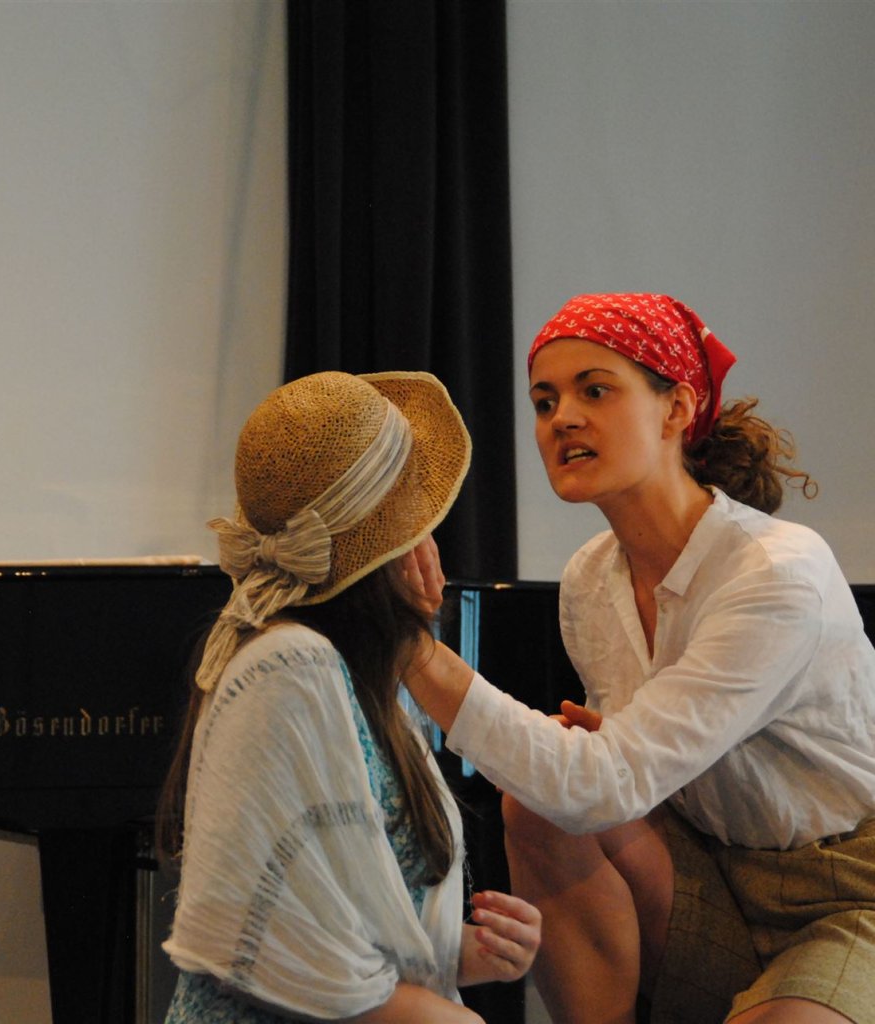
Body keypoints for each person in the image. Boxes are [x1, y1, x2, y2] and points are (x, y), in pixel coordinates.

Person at [400, 294, 875, 1024]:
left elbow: (604, 784)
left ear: (676, 408)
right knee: (537, 804)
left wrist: (410, 648)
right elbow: (608, 783)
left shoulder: (775, 573)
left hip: (848, 894)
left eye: (595, 391)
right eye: (545, 401)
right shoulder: (591, 578)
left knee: (569, 786)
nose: (562, 418)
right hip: (709, 870)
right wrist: (593, 758)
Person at [157, 370, 541, 1024]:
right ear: (387, 552)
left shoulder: (348, 677)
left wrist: (462, 954)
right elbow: (281, 958)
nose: (429, 545)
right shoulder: (289, 669)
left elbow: (340, 926)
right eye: (414, 522)